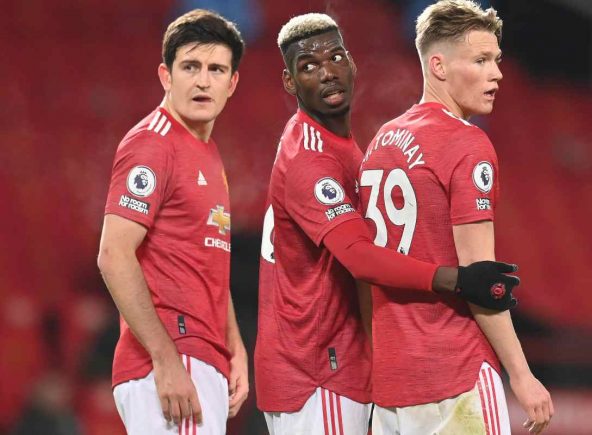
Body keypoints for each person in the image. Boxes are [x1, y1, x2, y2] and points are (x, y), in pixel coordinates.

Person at [255, 13, 521, 435]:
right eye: (309, 66)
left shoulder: (366, 143)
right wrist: (458, 280)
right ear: (289, 82)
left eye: (336, 57)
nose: (328, 73)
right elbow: (361, 258)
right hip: (319, 369)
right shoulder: (310, 157)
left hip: (359, 367)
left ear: (352, 62)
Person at [358, 1, 554, 434]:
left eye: (496, 60)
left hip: (392, 383)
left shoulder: (382, 139)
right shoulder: (467, 144)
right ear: (439, 66)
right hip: (456, 374)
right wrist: (522, 375)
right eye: (480, 60)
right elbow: (480, 279)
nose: (496, 74)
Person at [97, 9, 248, 434]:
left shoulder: (206, 151)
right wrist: (164, 359)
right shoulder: (153, 144)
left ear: (232, 83)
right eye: (190, 67)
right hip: (173, 357)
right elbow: (113, 254)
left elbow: (206, 261)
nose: (203, 81)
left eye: (216, 69)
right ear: (166, 75)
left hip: (200, 354)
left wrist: (233, 346)